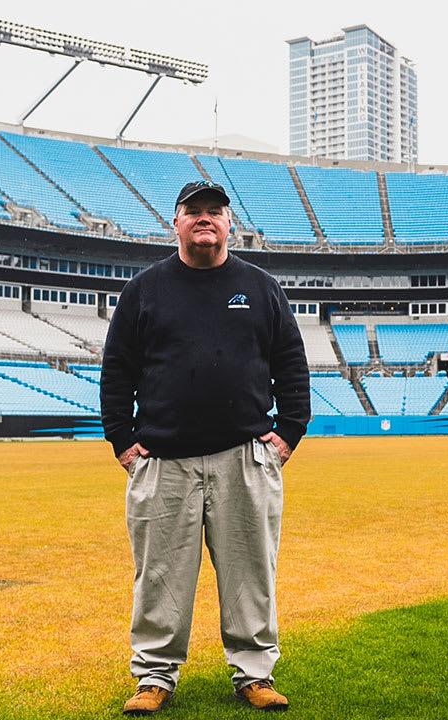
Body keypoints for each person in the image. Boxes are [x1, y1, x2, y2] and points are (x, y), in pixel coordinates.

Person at [100, 180, 310, 716]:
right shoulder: (144, 290)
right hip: (162, 460)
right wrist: (122, 441)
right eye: (193, 211)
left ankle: (254, 673)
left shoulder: (260, 288)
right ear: (175, 223)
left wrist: (289, 432)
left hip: (243, 455)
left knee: (251, 571)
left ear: (228, 223)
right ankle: (154, 677)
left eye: (214, 211)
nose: (204, 219)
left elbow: (290, 363)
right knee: (160, 574)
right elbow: (117, 370)